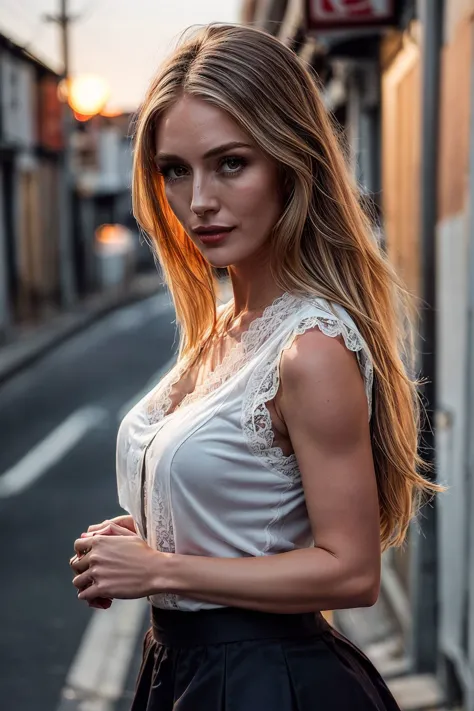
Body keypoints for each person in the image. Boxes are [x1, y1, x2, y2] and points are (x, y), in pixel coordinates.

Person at [70, 23, 441, 710]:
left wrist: (160, 568)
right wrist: (150, 530)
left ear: (288, 162)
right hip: (185, 672)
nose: (198, 200)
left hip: (271, 683)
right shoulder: (220, 330)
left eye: (230, 163)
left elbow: (351, 570)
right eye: (174, 170)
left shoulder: (312, 349)